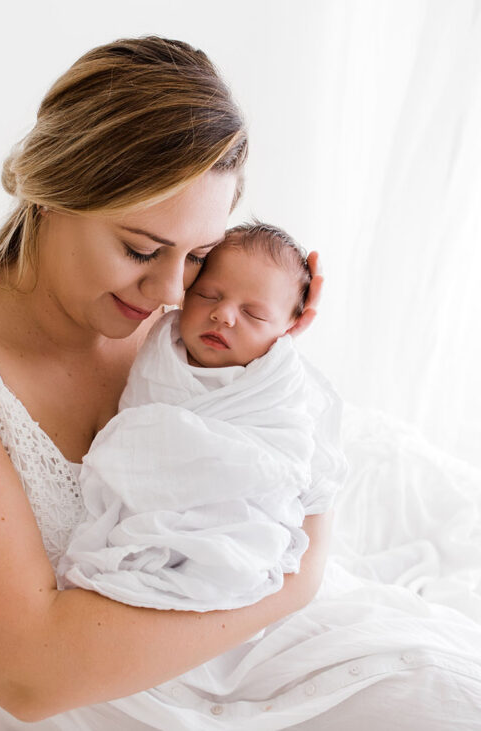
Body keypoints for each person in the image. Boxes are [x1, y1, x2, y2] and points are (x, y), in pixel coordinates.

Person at [0, 36, 481, 729]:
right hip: (78, 691)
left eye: (200, 256)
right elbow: (26, 674)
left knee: (465, 699)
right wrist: (293, 581)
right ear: (53, 190)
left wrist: (267, 356)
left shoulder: (190, 322)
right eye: (142, 248)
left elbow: (284, 473)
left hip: (238, 638)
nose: (173, 291)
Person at [59, 222, 345, 614]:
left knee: (233, 560)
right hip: (151, 508)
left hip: (237, 514)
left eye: (254, 314)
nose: (223, 315)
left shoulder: (274, 384)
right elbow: (139, 434)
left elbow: (289, 455)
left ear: (287, 331)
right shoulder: (161, 349)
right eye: (208, 295)